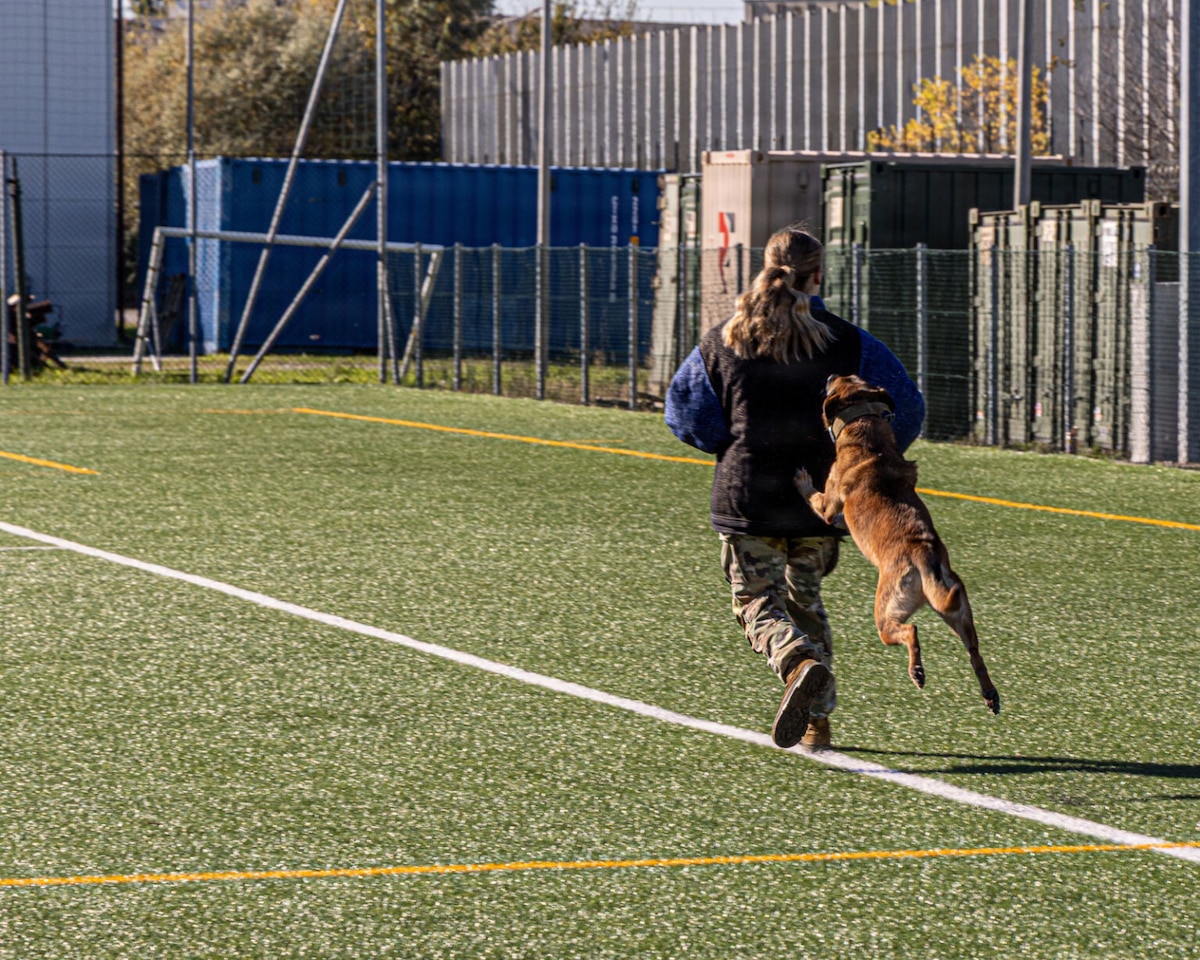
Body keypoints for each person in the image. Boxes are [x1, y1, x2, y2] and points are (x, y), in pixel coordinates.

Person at [665, 225, 924, 750]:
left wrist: (731, 440)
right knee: (807, 603)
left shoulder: (724, 339)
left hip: (748, 498)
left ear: (763, 267)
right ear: (819, 275)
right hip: (821, 506)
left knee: (757, 602)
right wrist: (864, 455)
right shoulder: (850, 343)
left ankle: (796, 661)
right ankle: (816, 723)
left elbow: (684, 413)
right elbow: (908, 408)